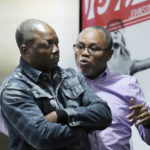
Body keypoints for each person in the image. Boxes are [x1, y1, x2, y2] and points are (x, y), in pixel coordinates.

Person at [0, 19, 112, 150]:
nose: (56, 50)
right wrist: (84, 131)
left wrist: (61, 114)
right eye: (47, 45)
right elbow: (42, 137)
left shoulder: (71, 76)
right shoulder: (14, 88)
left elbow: (104, 114)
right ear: (25, 50)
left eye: (56, 43)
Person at [74, 25, 150, 150]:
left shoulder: (127, 85)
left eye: (93, 48)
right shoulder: (61, 84)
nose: (85, 53)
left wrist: (148, 123)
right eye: (80, 47)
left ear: (109, 54)